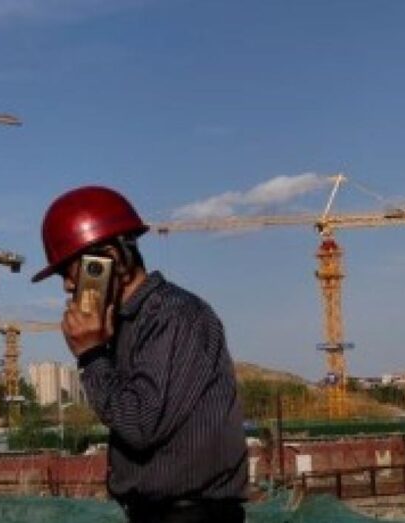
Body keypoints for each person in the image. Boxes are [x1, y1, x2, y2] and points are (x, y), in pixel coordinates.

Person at [32, 186, 248, 523]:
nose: (67, 286)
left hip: (191, 516)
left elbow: (138, 424)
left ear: (110, 259)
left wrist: (90, 355)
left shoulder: (174, 315)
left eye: (69, 271)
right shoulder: (125, 324)